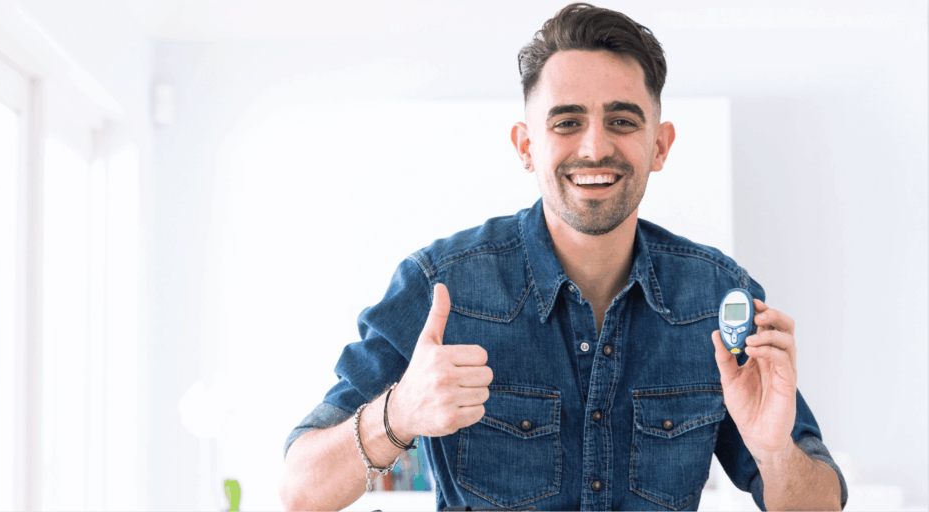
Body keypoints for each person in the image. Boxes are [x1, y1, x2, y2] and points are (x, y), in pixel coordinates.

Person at [278, 3, 848, 510]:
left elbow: (818, 503)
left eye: (622, 121)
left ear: (660, 145)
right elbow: (301, 489)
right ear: (527, 146)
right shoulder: (439, 285)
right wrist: (398, 415)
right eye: (567, 122)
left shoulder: (719, 297)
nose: (595, 147)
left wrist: (773, 451)